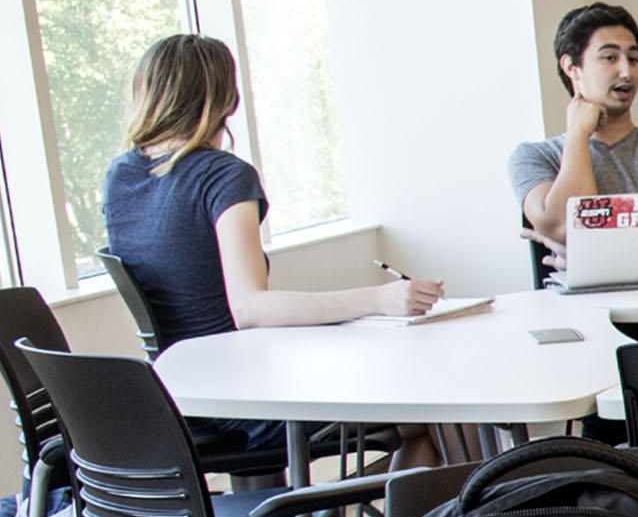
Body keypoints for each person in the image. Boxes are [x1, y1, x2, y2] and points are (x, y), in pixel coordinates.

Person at [104, 35, 442, 467]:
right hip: (247, 402)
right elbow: (250, 309)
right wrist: (381, 298)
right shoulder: (223, 176)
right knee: (423, 409)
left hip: (174, 394)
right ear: (226, 98)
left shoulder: (120, 177)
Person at [510, 4, 638, 256]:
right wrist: (577, 134)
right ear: (571, 68)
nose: (627, 72)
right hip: (587, 298)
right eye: (610, 58)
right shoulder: (533, 157)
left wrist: (589, 258)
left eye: (633, 59)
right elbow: (566, 228)